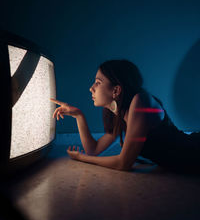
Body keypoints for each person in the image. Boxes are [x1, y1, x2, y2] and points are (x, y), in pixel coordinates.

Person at [50, 59, 200, 173]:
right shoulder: (119, 113)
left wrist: (81, 158)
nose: (91, 88)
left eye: (98, 82)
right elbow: (93, 149)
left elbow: (124, 163)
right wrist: (78, 115)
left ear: (116, 90)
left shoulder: (141, 101)